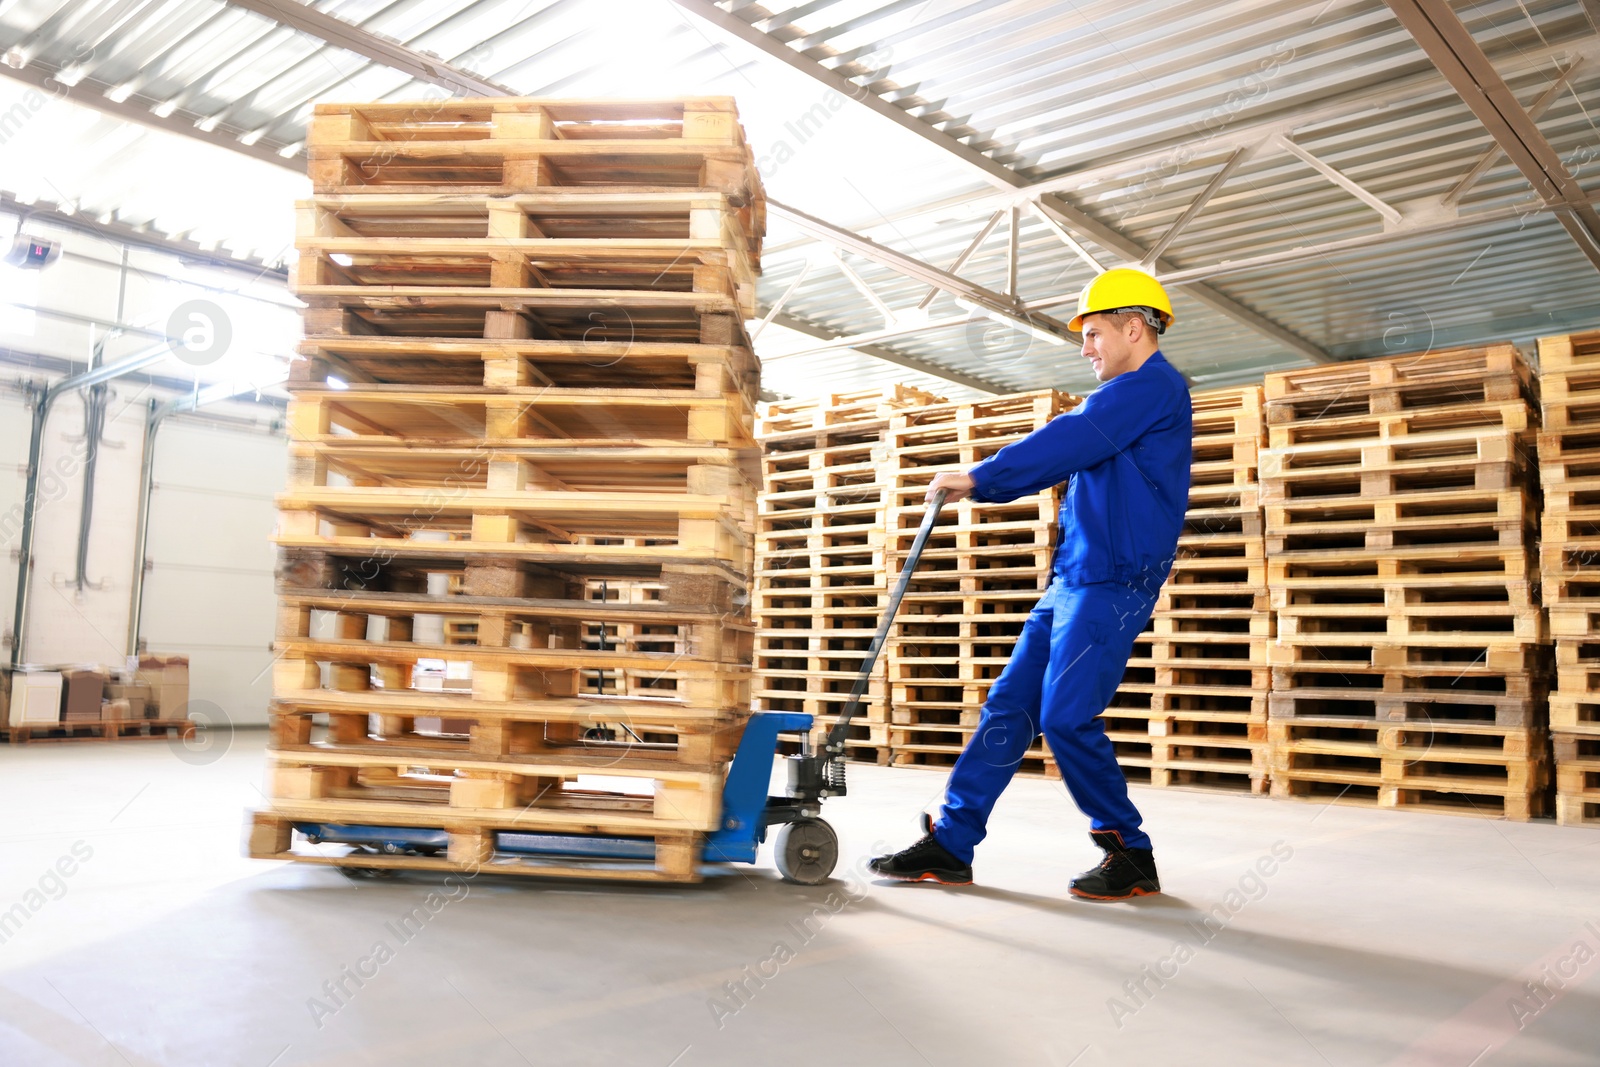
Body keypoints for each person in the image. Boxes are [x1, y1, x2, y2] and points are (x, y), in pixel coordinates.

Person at [869, 268, 1193, 901]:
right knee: (1009, 708)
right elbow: (1078, 454)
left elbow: (1072, 438)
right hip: (1074, 579)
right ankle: (952, 842)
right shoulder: (1128, 396)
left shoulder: (1150, 388)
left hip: (1114, 583)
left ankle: (1129, 852)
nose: (1086, 347)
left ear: (1134, 328)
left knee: (1066, 717)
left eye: (1094, 332)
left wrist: (981, 477)